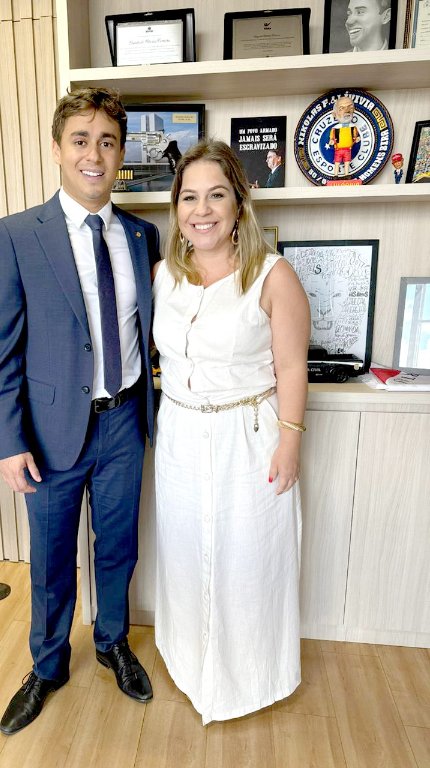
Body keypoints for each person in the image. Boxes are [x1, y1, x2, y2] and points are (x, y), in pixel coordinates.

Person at [0, 87, 160, 736]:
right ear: (57, 150)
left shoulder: (144, 235)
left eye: (107, 142)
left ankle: (112, 642)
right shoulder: (17, 236)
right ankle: (48, 665)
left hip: (124, 423)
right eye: (81, 140)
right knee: (53, 559)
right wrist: (8, 440)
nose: (94, 154)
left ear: (120, 157)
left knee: (117, 549)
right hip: (50, 435)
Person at [151, 139, 310, 725]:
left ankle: (249, 680)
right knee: (189, 554)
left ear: (239, 203)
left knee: (248, 559)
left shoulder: (273, 275)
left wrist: (289, 441)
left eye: (217, 194)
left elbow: (293, 366)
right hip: (180, 438)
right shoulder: (163, 276)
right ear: (177, 208)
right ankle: (192, 667)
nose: (203, 209)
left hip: (251, 437)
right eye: (190, 197)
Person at [329, 96, 360, 178]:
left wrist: (356, 139)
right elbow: (332, 136)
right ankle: (335, 175)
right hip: (338, 149)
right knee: (337, 162)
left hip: (348, 149)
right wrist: (331, 140)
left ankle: (347, 175)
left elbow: (355, 135)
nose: (347, 111)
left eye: (350, 107)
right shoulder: (335, 128)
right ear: (334, 114)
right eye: (342, 108)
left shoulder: (353, 128)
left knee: (347, 162)